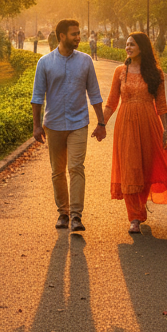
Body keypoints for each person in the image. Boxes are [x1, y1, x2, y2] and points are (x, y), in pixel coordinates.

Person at [103, 31, 167, 233]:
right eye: (127, 44)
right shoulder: (120, 72)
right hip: (125, 125)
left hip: (150, 124)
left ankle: (140, 208)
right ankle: (135, 217)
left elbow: (162, 104)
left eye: (132, 44)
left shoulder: (155, 73)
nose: (128, 47)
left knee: (145, 168)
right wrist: (100, 124)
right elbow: (112, 102)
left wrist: (166, 130)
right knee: (131, 168)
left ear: (142, 47)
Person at [31, 18, 107, 232]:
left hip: (78, 123)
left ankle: (75, 215)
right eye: (74, 34)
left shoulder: (85, 61)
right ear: (61, 36)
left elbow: (94, 93)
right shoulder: (44, 63)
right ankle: (62, 213)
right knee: (57, 171)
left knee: (76, 167)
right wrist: (37, 126)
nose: (78, 37)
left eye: (79, 33)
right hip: (53, 124)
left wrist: (101, 123)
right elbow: (37, 97)